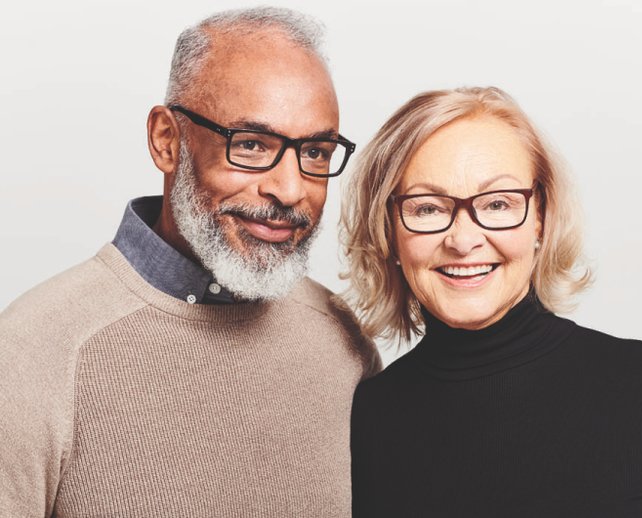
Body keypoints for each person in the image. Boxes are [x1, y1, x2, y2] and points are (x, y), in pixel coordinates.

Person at [0, 7, 380, 517]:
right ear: (166, 140)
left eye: (314, 152)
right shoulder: (33, 353)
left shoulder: (344, 344)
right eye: (249, 144)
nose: (289, 190)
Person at [343, 86, 642, 517]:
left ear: (541, 220)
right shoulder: (361, 421)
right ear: (389, 232)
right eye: (427, 208)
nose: (463, 240)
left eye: (497, 203)